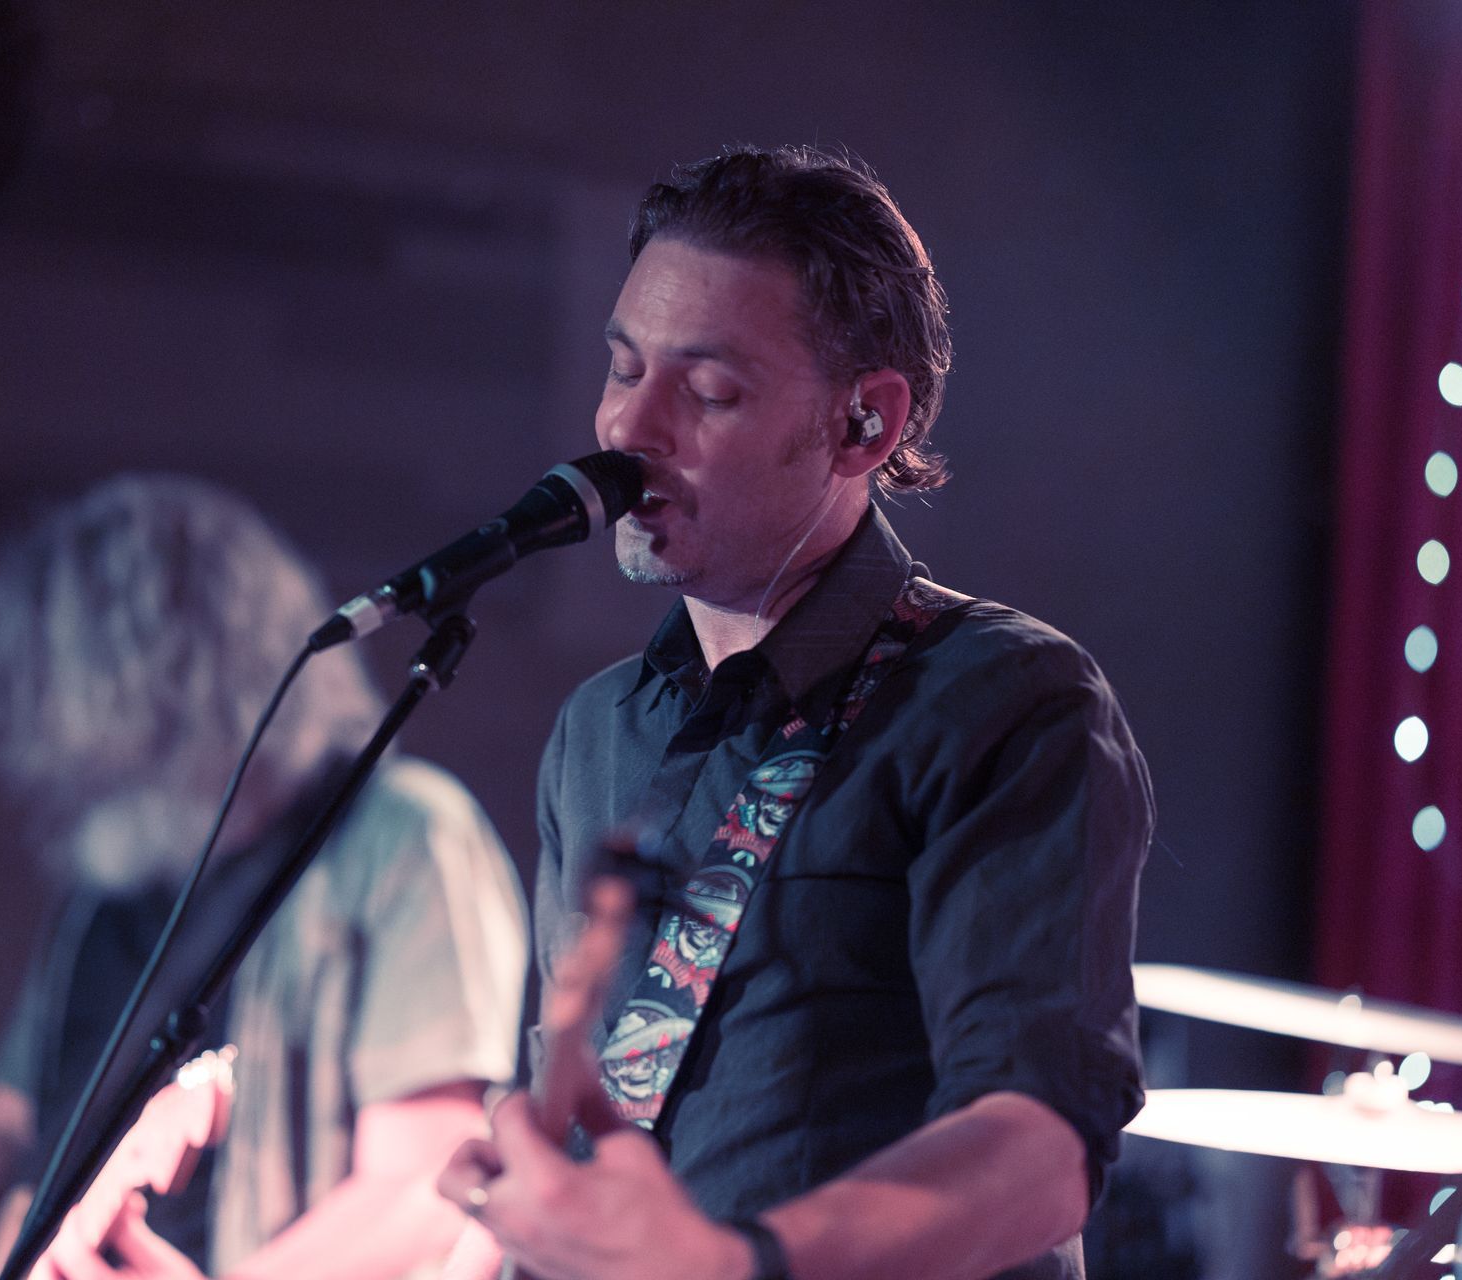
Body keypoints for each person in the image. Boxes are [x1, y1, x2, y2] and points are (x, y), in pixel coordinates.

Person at [436, 146, 1153, 1280]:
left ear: (863, 426)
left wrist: (739, 1263)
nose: (629, 428)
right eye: (623, 368)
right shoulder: (597, 729)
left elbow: (1041, 1150)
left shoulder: (1004, 700)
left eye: (708, 389)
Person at [0, 474, 528, 1280]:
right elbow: (2, 1122)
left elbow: (426, 1180)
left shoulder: (405, 833)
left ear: (143, 681)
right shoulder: (111, 870)